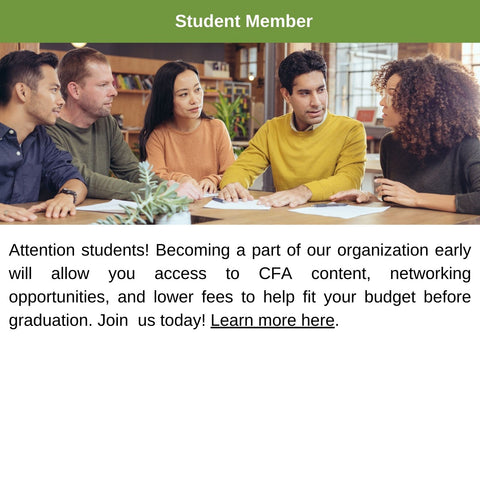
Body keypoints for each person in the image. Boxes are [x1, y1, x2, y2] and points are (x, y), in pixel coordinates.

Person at [330, 54, 480, 214]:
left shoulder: (467, 145)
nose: (382, 102)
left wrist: (417, 198)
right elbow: (401, 203)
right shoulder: (390, 144)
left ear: (423, 102)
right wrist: (368, 199)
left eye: (392, 95)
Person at [46, 47, 201, 201]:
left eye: (112, 83)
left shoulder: (106, 122)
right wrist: (158, 192)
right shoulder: (48, 128)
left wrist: (169, 187)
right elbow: (86, 179)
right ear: (75, 90)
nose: (114, 91)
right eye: (103, 85)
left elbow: (132, 171)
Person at [218, 50, 367, 207]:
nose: (316, 102)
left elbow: (349, 180)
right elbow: (242, 167)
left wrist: (303, 192)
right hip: (287, 218)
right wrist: (232, 184)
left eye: (321, 90)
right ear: (286, 95)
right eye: (305, 93)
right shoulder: (271, 129)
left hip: (333, 221)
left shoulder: (351, 129)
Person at [0, 50, 86, 223]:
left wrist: (66, 196)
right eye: (54, 90)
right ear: (22, 92)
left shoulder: (41, 138)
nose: (61, 101)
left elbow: (75, 179)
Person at [139, 61, 235, 194]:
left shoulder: (217, 128)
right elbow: (155, 178)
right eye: (184, 94)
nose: (194, 100)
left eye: (197, 89)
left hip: (213, 207)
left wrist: (213, 180)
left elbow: (232, 173)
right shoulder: (158, 135)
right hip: (175, 208)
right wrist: (181, 178)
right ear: (167, 99)